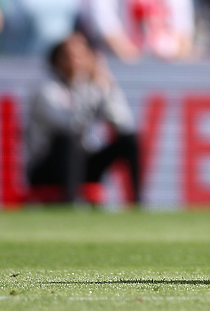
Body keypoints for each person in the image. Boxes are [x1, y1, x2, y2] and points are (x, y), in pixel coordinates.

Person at [25, 32, 141, 205]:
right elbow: (70, 126)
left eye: (81, 56)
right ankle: (70, 202)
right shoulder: (46, 88)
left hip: (83, 162)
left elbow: (122, 122)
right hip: (49, 166)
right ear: (56, 60)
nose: (75, 62)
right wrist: (87, 90)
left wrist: (107, 85)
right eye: (69, 57)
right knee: (67, 142)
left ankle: (136, 202)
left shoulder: (94, 84)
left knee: (129, 141)